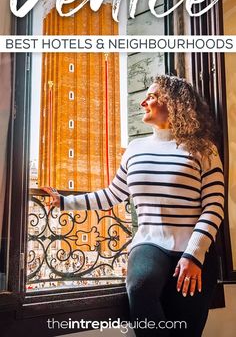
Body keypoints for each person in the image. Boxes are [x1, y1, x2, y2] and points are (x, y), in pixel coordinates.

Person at [43, 75, 224, 336]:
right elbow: (112, 195)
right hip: (150, 243)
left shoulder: (204, 150)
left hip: (195, 251)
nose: (143, 102)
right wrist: (64, 202)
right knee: (140, 285)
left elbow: (214, 206)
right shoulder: (135, 149)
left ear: (173, 103)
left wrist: (193, 254)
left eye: (151, 96)